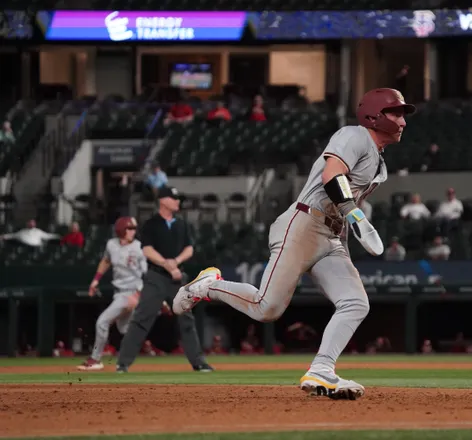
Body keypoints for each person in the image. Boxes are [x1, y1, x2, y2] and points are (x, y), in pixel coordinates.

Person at [172, 88, 415, 400]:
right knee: (266, 309)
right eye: (396, 113)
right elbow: (332, 174)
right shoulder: (355, 135)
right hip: (303, 225)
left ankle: (322, 370)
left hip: (331, 233)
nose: (403, 121)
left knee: (356, 303)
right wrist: (352, 211)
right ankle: (206, 286)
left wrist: (345, 231)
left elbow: (341, 200)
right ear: (374, 115)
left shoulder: (378, 162)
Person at [116, 186, 212, 373]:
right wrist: (166, 264)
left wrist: (175, 262)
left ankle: (199, 363)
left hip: (177, 278)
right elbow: (147, 250)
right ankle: (123, 363)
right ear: (162, 201)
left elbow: (189, 249)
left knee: (187, 320)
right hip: (156, 277)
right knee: (142, 319)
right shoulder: (151, 224)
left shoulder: (182, 224)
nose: (177, 201)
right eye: (173, 198)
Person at [78, 217, 146, 371]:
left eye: (134, 229)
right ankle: (126, 360)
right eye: (129, 228)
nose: (133, 232)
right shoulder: (112, 244)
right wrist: (95, 281)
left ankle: (95, 359)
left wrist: (138, 295)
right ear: (121, 230)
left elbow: (146, 274)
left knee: (102, 322)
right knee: (124, 329)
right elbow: (106, 261)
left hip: (131, 293)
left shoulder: (139, 247)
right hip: (119, 293)